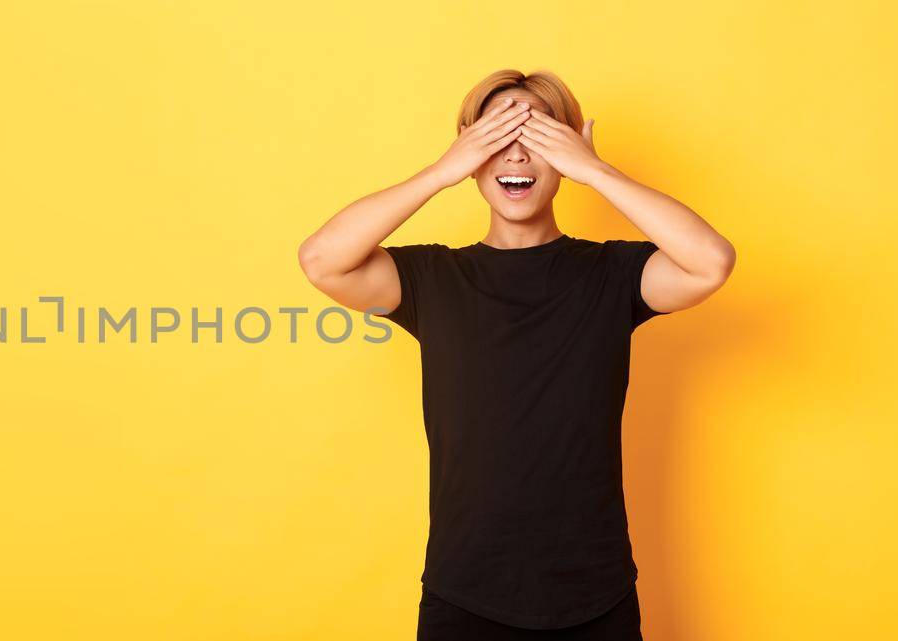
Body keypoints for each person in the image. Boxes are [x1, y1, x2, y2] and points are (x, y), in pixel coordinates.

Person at [296, 69, 736, 640]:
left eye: (539, 138)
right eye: (499, 137)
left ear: (571, 147)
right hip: (464, 594)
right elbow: (321, 260)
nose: (518, 157)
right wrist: (442, 171)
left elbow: (711, 262)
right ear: (469, 147)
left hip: (595, 591)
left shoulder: (612, 274)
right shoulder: (433, 278)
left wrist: (596, 171)